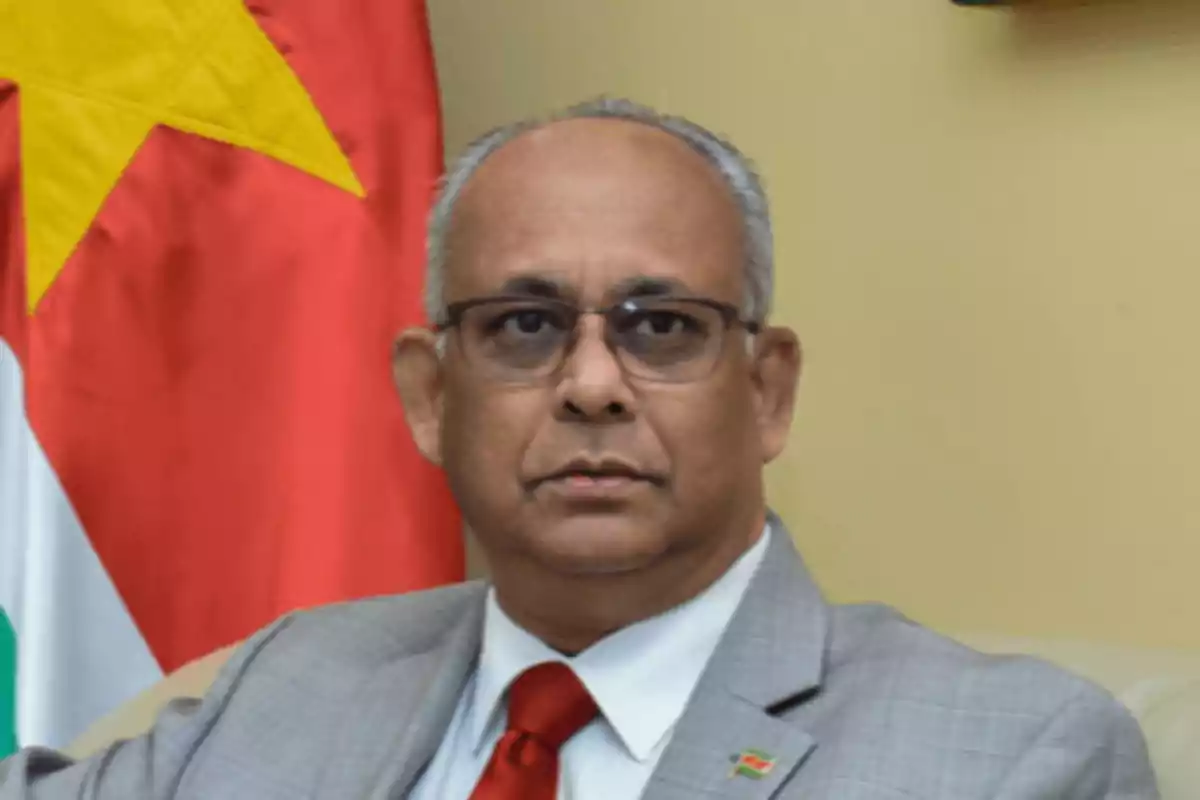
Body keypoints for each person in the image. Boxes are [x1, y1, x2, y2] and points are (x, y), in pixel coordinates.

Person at [0, 98, 1157, 799]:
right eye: (525, 324)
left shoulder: (1009, 757)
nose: (594, 384)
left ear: (765, 391)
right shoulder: (295, 680)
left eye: (662, 327)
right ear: (429, 394)